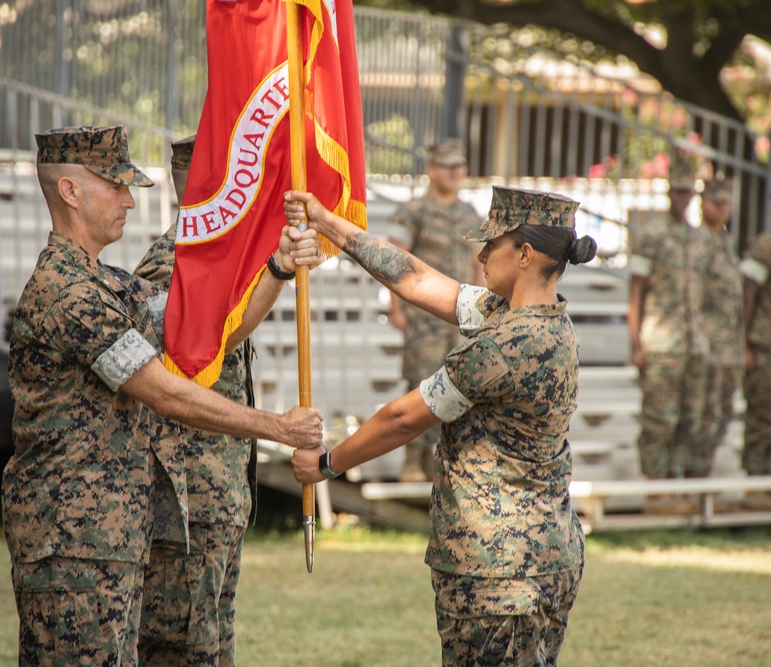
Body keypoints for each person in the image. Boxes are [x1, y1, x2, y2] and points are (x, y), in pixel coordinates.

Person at [2, 126, 324, 666]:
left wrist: (277, 267)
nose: (130, 199)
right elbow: (163, 393)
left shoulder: (106, 284)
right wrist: (278, 429)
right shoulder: (70, 293)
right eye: (115, 186)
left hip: (106, 536)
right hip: (72, 540)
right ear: (71, 192)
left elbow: (208, 330)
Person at [284, 184, 595, 666]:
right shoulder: (538, 321)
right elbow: (419, 279)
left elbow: (402, 419)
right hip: (538, 560)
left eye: (493, 244)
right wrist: (328, 223)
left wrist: (325, 463)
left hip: (498, 573)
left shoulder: (506, 345)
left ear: (526, 254)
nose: (482, 253)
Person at [133, 136, 259, 666]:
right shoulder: (174, 261)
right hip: (190, 502)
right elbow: (194, 347)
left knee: (209, 648)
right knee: (182, 651)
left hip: (217, 496)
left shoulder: (210, 260)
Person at [388, 138, 483, 482]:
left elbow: (479, 266)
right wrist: (395, 310)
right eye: (448, 166)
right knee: (421, 386)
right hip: (424, 320)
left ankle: (445, 463)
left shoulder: (470, 214)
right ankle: (413, 461)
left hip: (460, 321)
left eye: (460, 166)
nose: (455, 172)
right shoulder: (413, 211)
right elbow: (395, 264)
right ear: (431, 169)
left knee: (460, 389)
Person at [626, 158, 712, 513]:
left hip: (695, 343)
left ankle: (676, 485)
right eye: (678, 191)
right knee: (659, 419)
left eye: (689, 191)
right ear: (668, 192)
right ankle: (656, 490)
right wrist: (635, 343)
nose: (684, 197)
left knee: (689, 418)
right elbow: (636, 292)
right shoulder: (651, 236)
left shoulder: (702, 238)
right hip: (660, 343)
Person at [738, 187, 771, 510]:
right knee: (763, 413)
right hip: (768, 345)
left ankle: (766, 482)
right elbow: (747, 294)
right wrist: (744, 344)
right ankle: (756, 484)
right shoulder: (766, 245)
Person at [690, 176, 743, 478]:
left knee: (722, 412)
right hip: (708, 342)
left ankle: (703, 478)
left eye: (726, 202)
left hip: (728, 346)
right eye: (716, 202)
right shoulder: (698, 242)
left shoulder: (725, 240)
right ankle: (695, 477)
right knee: (704, 414)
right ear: (704, 203)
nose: (722, 208)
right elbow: (693, 295)